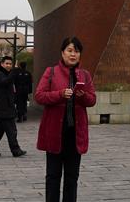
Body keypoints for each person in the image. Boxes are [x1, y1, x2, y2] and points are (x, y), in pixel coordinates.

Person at [35, 37, 97, 202]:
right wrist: (60, 94)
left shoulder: (85, 74)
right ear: (62, 53)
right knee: (53, 176)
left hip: (75, 134)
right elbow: (39, 96)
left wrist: (82, 96)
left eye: (76, 51)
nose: (73, 54)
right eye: (69, 50)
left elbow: (92, 100)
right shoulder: (51, 72)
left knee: (72, 177)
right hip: (55, 133)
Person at [0, 56, 27, 158]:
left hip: (6, 107)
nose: (8, 66)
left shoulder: (7, 74)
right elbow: (5, 82)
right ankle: (15, 150)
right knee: (11, 130)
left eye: (10, 64)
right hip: (4, 107)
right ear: (2, 64)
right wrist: (14, 71)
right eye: (6, 63)